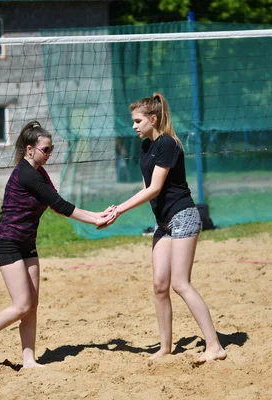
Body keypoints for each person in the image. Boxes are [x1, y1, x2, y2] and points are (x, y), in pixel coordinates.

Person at [0, 120, 113, 370]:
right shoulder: (26, 173)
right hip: (7, 244)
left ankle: (28, 360)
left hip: (27, 244)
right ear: (29, 149)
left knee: (32, 306)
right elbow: (61, 206)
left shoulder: (39, 172)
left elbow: (58, 204)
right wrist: (96, 219)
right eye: (46, 149)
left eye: (51, 149)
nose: (50, 153)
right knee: (21, 304)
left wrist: (96, 214)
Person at [101, 92, 226, 364]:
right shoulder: (145, 147)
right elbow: (147, 188)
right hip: (163, 223)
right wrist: (115, 208)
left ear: (153, 119)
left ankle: (214, 345)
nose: (133, 126)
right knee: (160, 285)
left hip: (183, 216)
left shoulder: (168, 143)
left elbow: (156, 188)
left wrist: (120, 209)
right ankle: (165, 348)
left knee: (181, 283)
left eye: (137, 120)